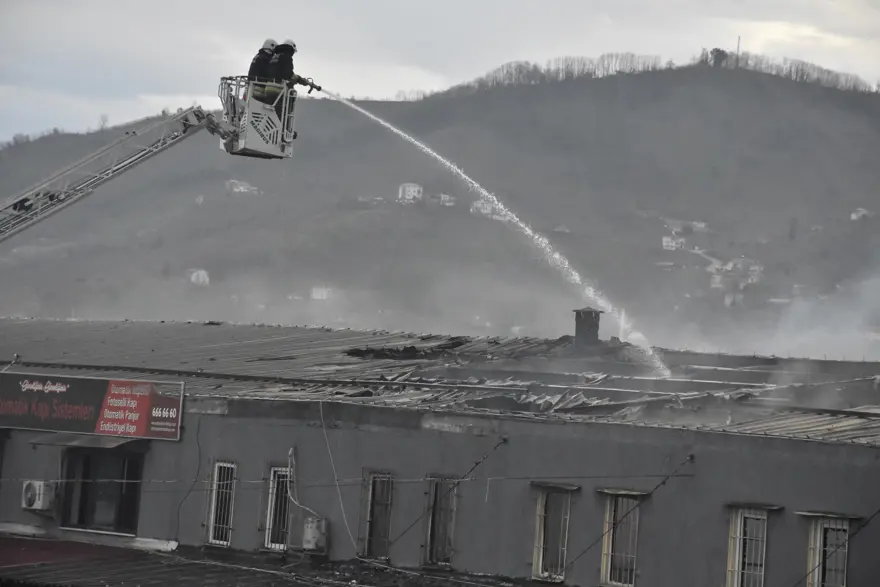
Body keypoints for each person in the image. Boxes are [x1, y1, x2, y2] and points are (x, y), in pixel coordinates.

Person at [266, 39, 321, 136]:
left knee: (272, 113)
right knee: (282, 113)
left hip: (268, 90)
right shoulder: (286, 57)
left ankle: (278, 132)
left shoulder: (275, 56)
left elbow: (279, 73)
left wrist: (294, 81)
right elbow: (288, 74)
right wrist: (300, 79)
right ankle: (284, 132)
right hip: (277, 91)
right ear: (291, 49)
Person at [247, 38, 277, 104]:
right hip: (258, 89)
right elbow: (269, 72)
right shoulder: (265, 59)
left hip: (250, 87)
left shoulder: (258, 56)